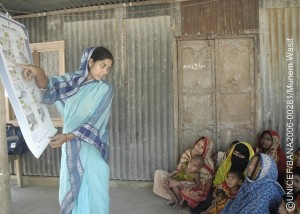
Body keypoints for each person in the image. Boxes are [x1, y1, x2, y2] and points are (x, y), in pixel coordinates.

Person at [17, 47, 114, 214]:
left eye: (108, 68)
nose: (105, 72)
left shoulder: (105, 90)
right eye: (102, 65)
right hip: (69, 144)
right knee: (71, 185)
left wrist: (67, 137)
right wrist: (39, 73)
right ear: (90, 62)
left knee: (97, 181)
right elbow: (50, 87)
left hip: (90, 144)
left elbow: (95, 122)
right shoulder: (71, 81)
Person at [153, 136, 214, 212]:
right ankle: (176, 198)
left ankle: (180, 200)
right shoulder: (188, 153)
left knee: (175, 185)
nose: (198, 148)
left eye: (202, 147)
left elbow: (201, 185)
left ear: (206, 150)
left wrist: (180, 183)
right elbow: (179, 170)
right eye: (198, 144)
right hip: (181, 178)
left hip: (194, 188)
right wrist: (170, 178)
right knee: (159, 174)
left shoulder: (207, 163)